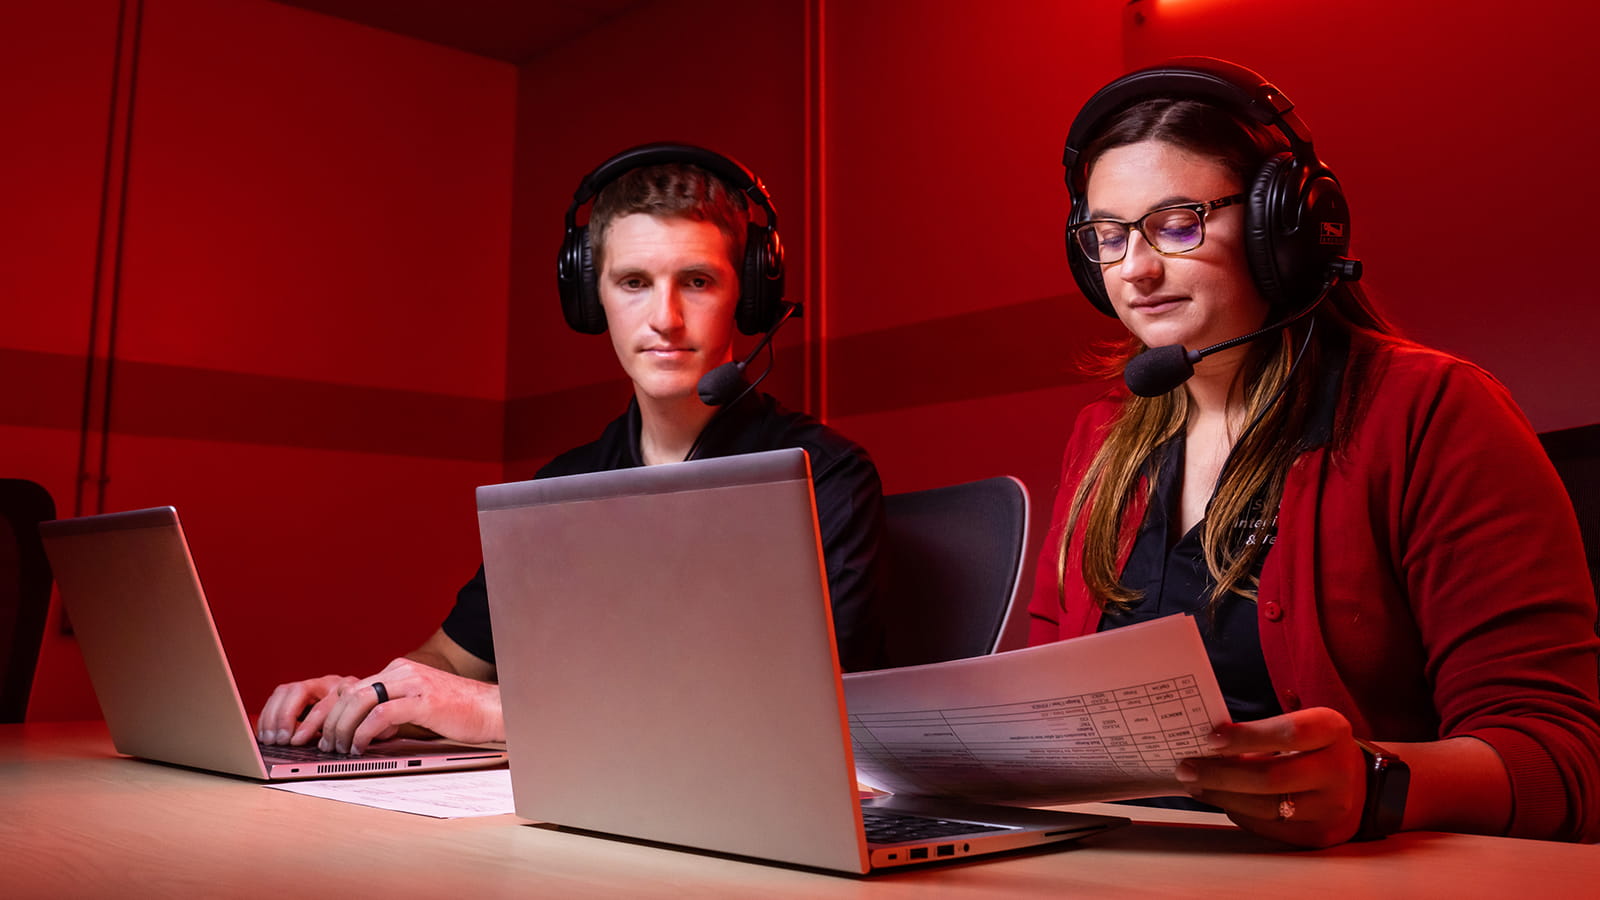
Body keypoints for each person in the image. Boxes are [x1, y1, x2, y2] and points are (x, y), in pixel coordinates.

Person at [1029, 58, 1600, 847]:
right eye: (1109, 236)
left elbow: (1566, 758)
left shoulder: (1430, 410)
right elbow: (1040, 705)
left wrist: (1376, 783)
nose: (1137, 270)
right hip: (1115, 868)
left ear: (1285, 227)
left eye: (1178, 224)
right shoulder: (1102, 438)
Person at [258, 144, 887, 755]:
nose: (665, 317)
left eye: (697, 281)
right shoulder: (562, 487)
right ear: (592, 300)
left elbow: (807, 709)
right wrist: (375, 697)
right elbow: (452, 660)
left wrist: (503, 712)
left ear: (747, 296)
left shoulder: (825, 477)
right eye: (633, 282)